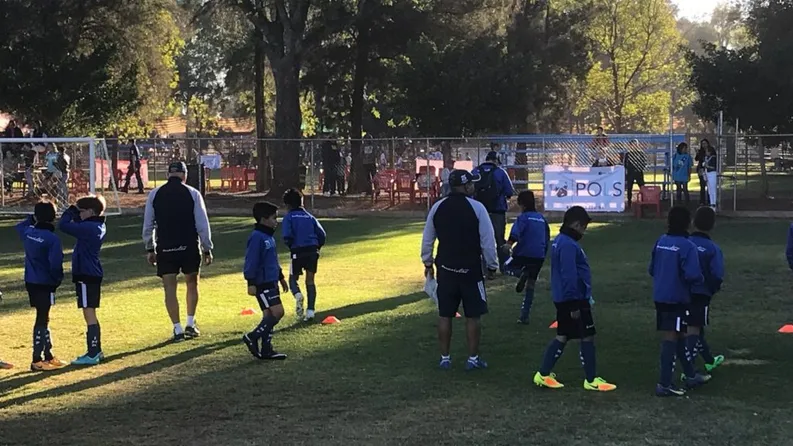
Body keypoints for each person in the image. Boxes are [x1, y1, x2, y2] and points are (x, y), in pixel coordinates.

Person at [532, 206, 616, 392]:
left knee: (564, 335)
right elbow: (569, 275)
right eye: (583, 227)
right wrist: (574, 303)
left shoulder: (560, 241)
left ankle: (544, 374)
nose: (584, 231)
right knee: (586, 336)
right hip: (573, 299)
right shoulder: (568, 245)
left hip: (566, 297)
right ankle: (591, 379)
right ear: (576, 225)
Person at [421, 170, 498, 371]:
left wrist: (427, 263)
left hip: (446, 269)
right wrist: (492, 266)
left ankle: (444, 358)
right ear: (467, 186)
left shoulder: (438, 207)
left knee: (445, 314)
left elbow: (427, 239)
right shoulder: (478, 208)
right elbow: (488, 242)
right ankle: (472, 359)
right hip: (471, 271)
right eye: (472, 184)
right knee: (473, 316)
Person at [142, 161, 214, 342]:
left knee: (169, 288)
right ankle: (190, 323)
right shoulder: (193, 193)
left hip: (165, 246)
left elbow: (148, 223)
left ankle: (177, 328)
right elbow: (202, 224)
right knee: (192, 283)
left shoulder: (155, 194)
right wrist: (207, 248)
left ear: (168, 174)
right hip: (189, 245)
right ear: (185, 175)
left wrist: (150, 247)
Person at [649, 206, 711, 397]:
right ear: (688, 223)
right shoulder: (687, 246)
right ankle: (664, 383)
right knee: (672, 336)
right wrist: (702, 280)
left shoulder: (661, 241)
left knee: (681, 335)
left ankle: (691, 375)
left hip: (660, 296)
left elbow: (652, 269)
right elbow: (693, 275)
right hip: (677, 298)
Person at [15, 201, 68, 372]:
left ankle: (48, 355)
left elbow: (20, 226)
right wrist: (57, 280)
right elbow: (55, 264)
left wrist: (33, 218)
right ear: (53, 218)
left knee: (43, 317)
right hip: (45, 282)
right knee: (42, 319)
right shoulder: (52, 239)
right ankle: (36, 359)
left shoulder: (29, 232)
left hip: (31, 281)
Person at [58, 196, 108, 365]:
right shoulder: (96, 225)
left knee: (89, 312)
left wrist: (70, 211)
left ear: (91, 212)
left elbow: (63, 225)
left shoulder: (89, 227)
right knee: (90, 311)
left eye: (81, 212)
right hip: (90, 273)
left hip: (86, 274)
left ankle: (93, 352)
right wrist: (77, 212)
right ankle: (96, 350)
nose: (78, 215)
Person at [242, 202, 289, 360]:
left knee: (269, 315)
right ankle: (252, 337)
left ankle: (267, 349)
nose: (277, 221)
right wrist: (251, 282)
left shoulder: (268, 237)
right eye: (274, 218)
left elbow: (273, 261)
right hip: (262, 283)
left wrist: (281, 277)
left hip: (271, 281)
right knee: (278, 312)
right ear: (263, 219)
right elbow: (251, 261)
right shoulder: (257, 237)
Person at [503, 190, 550, 324]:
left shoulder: (523, 218)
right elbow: (546, 239)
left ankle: (520, 273)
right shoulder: (542, 219)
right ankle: (524, 315)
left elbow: (516, 233)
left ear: (521, 204)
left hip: (523, 253)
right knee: (531, 285)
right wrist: (543, 254)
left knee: (506, 267)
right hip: (539, 256)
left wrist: (508, 245)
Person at [689, 206, 725, 373]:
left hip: (681, 292)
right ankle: (689, 369)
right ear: (713, 225)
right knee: (694, 328)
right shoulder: (712, 248)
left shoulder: (686, 243)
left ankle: (709, 359)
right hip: (701, 294)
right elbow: (717, 274)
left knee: (695, 325)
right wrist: (711, 289)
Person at [282, 188, 326, 322]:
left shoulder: (289, 217)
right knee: (310, 280)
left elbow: (287, 235)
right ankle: (311, 311)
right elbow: (322, 234)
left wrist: (291, 246)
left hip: (297, 251)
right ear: (302, 201)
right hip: (312, 250)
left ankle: (298, 295)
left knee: (292, 279)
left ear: (287, 205)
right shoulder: (310, 217)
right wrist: (317, 247)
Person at [472, 151, 515, 271]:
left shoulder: (476, 171)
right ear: (496, 160)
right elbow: (509, 192)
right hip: (497, 211)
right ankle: (504, 266)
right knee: (499, 239)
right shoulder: (500, 172)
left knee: (480, 240)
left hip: (479, 211)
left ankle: (481, 268)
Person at [624, 139, 647, 209]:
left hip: (638, 172)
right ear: (630, 146)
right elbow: (625, 163)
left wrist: (639, 168)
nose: (634, 146)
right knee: (629, 188)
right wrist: (629, 169)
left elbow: (644, 162)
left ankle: (644, 202)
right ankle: (629, 203)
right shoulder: (628, 154)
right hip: (630, 173)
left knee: (642, 187)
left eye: (635, 144)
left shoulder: (641, 153)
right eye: (632, 144)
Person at [695, 140, 710, 206]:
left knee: (709, 186)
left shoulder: (710, 150)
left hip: (709, 169)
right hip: (701, 169)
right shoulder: (700, 151)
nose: (704, 145)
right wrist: (697, 153)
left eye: (705, 143)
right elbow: (696, 159)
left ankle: (710, 200)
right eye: (702, 144)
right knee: (702, 185)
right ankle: (702, 201)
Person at [703, 143, 718, 208]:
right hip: (707, 174)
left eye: (707, 151)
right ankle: (711, 203)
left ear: (710, 152)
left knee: (713, 189)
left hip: (712, 174)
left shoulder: (713, 158)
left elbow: (714, 167)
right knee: (709, 190)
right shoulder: (707, 158)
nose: (706, 152)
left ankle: (714, 204)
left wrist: (707, 166)